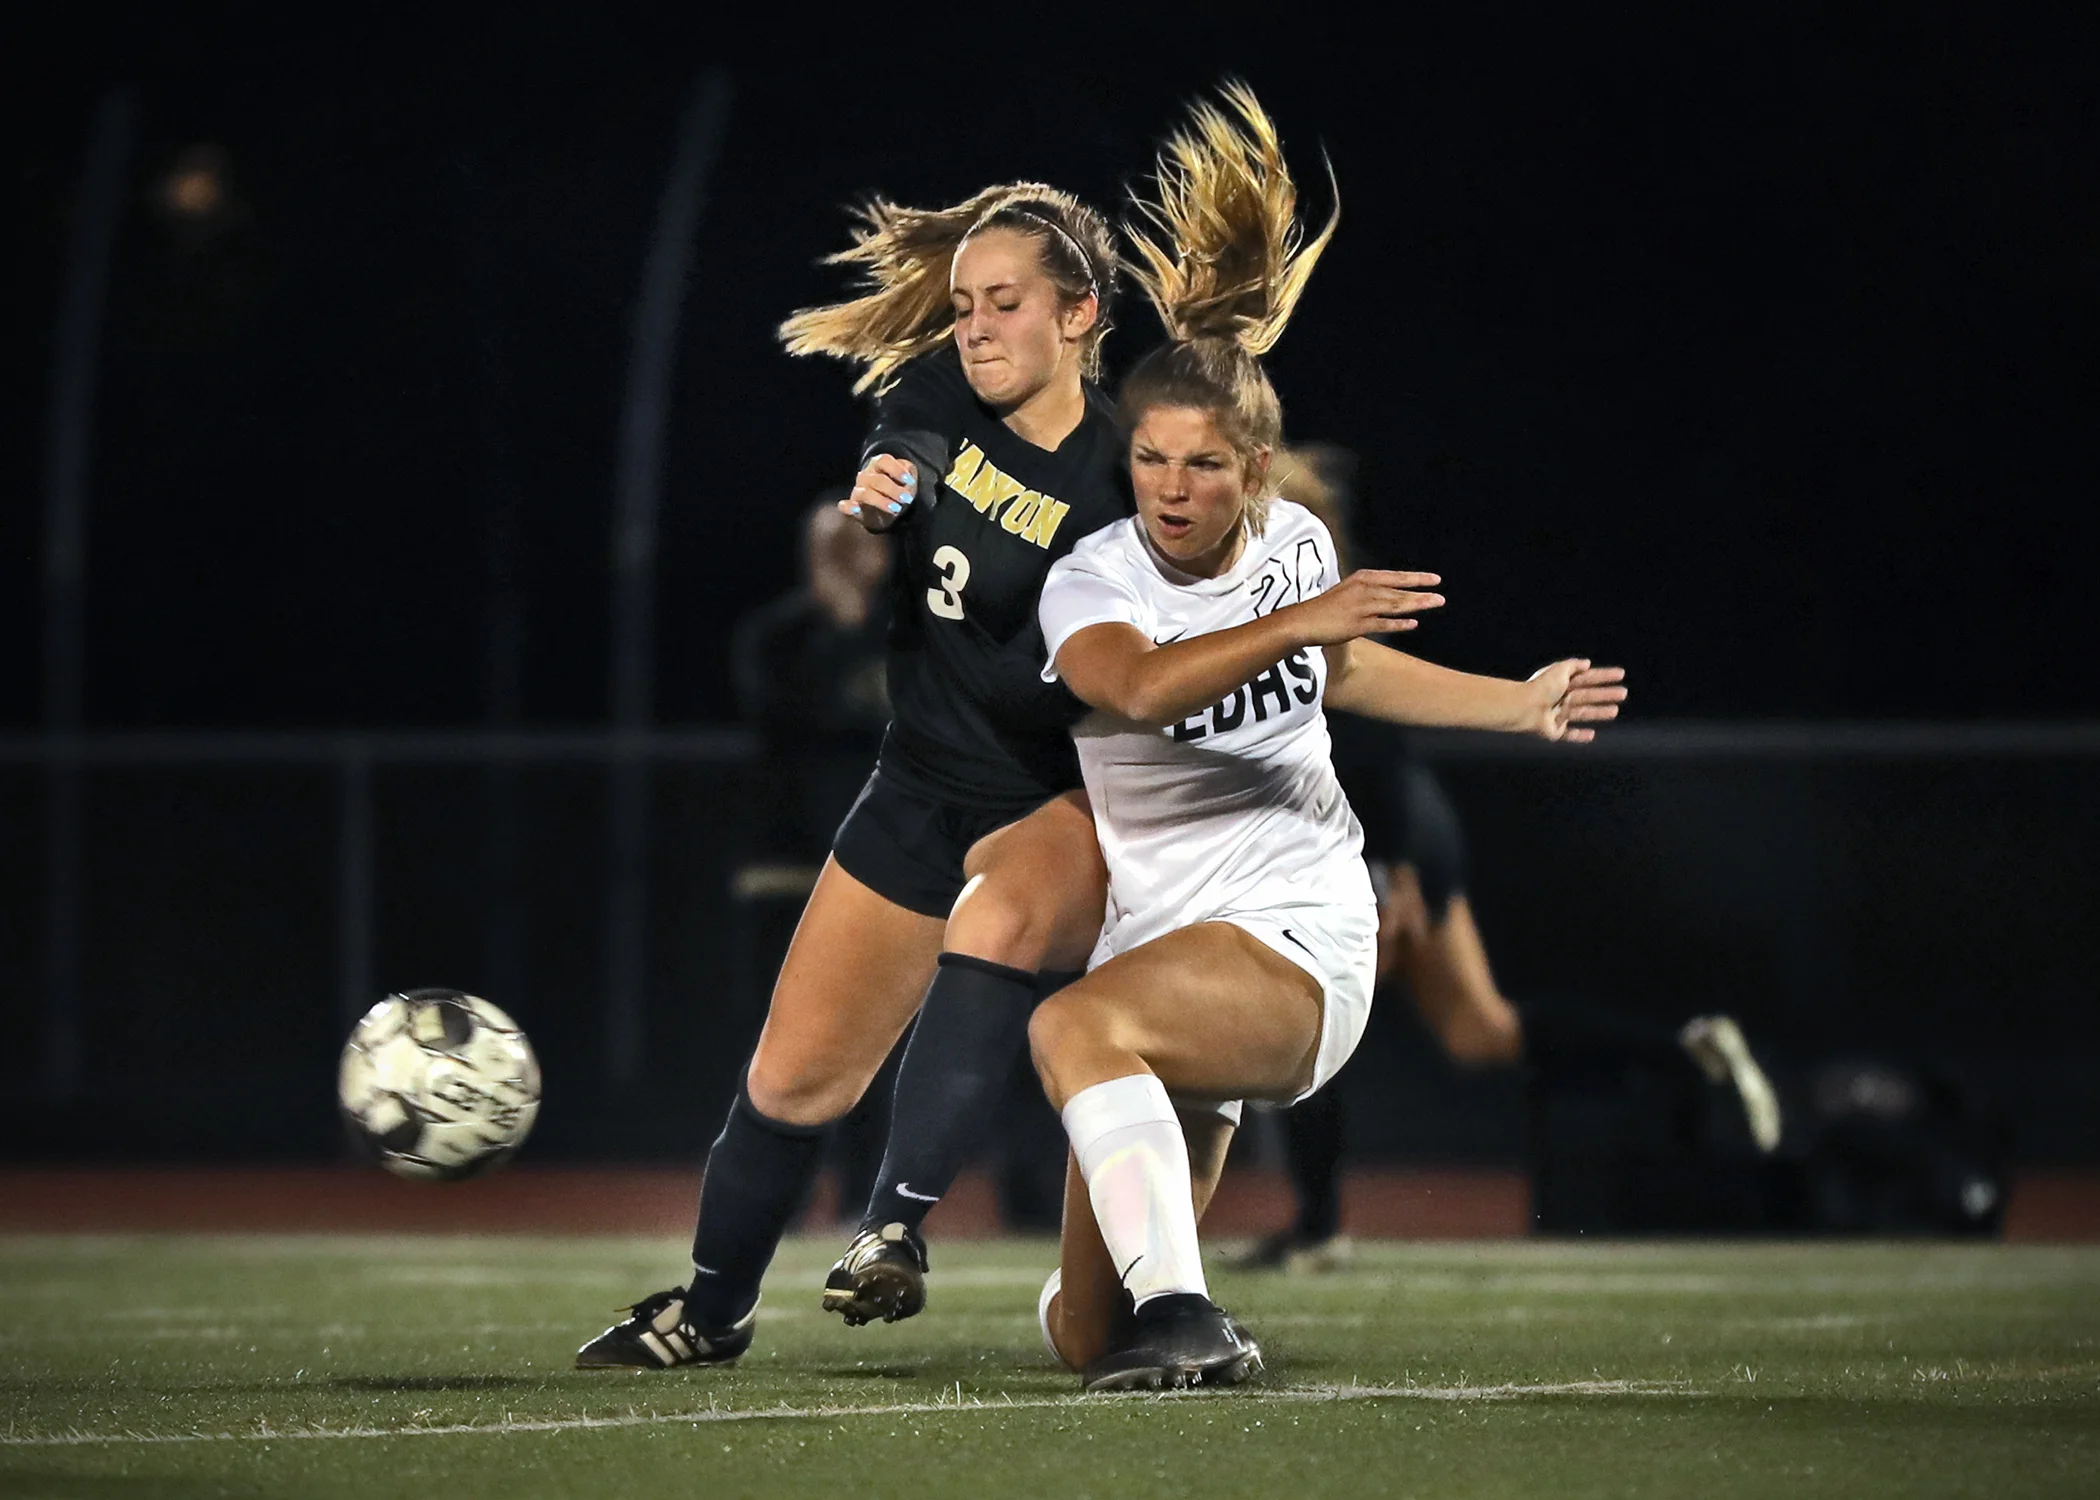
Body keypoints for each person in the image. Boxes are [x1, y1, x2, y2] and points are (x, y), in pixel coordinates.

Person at [1025, 85, 1628, 1389]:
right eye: (1150, 463)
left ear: (1256, 468)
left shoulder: (1295, 552)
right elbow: (1136, 691)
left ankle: (1193, 1310)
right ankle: (1161, 1300)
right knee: (1085, 1340)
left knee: (1068, 1026)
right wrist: (1296, 621)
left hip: (1301, 937)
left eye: (1203, 466)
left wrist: (1517, 701)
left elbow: (1349, 671)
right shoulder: (1093, 581)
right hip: (1167, 959)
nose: (1172, 491)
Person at [577, 181, 1133, 1369]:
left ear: (1079, 315)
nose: (974, 325)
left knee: (999, 930)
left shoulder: (1131, 470)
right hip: (919, 787)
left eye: (1006, 303)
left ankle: (898, 1225)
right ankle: (713, 1309)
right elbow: (905, 451)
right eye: (964, 303)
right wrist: (888, 484)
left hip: (1059, 799)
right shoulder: (940, 391)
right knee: (788, 1082)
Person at [1237, 449, 1781, 1272]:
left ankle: (1318, 1226)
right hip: (1406, 822)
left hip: (1384, 828)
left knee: (1301, 1010)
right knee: (1479, 1031)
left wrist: (1390, 871)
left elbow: (1364, 729)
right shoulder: (1277, 584)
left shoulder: (1301, 585)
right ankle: (1687, 1049)